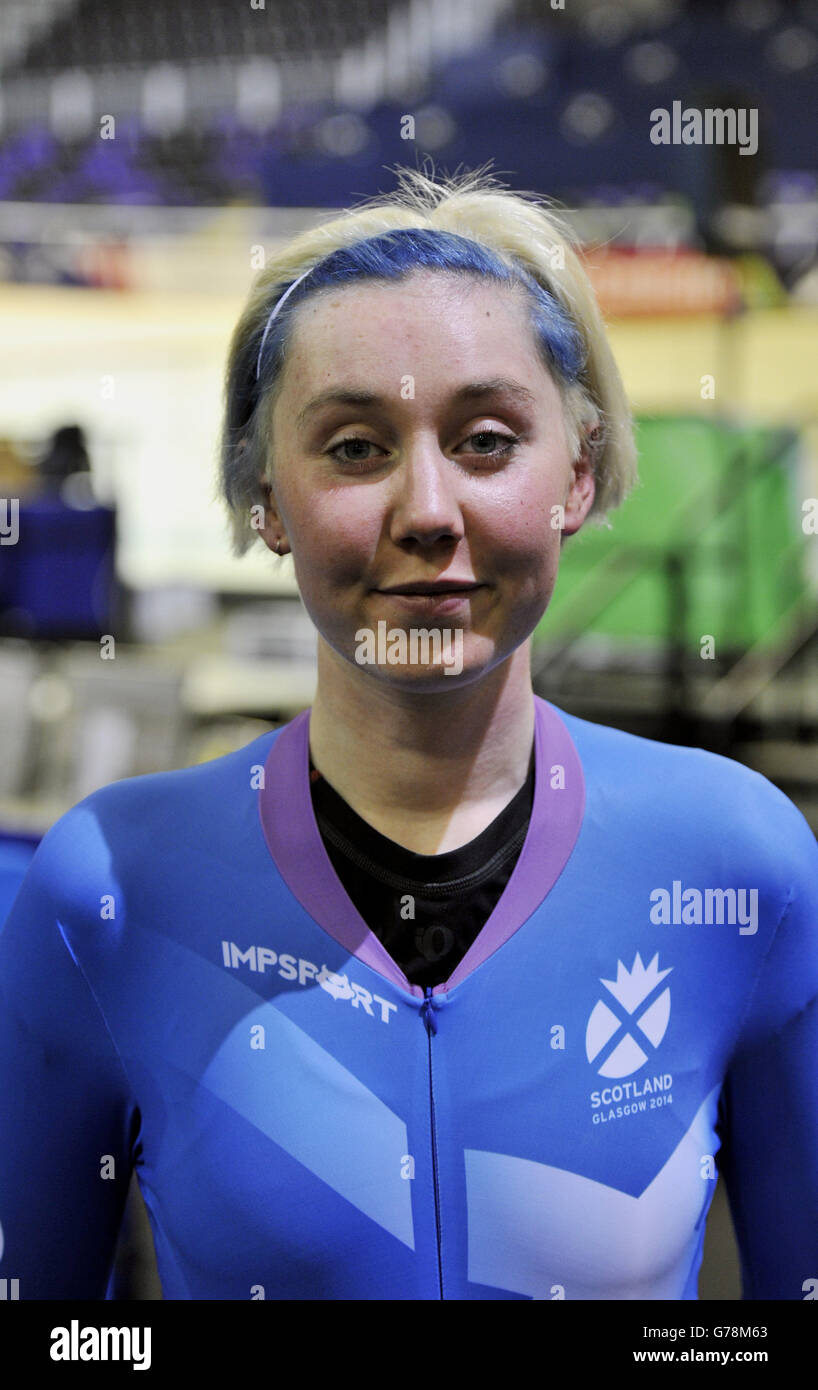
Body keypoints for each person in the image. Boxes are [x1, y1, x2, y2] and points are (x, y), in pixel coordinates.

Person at [1, 167, 816, 1301]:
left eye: (485, 440)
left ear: (574, 476)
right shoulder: (104, 892)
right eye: (352, 448)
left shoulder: (741, 863)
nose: (427, 510)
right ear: (263, 501)